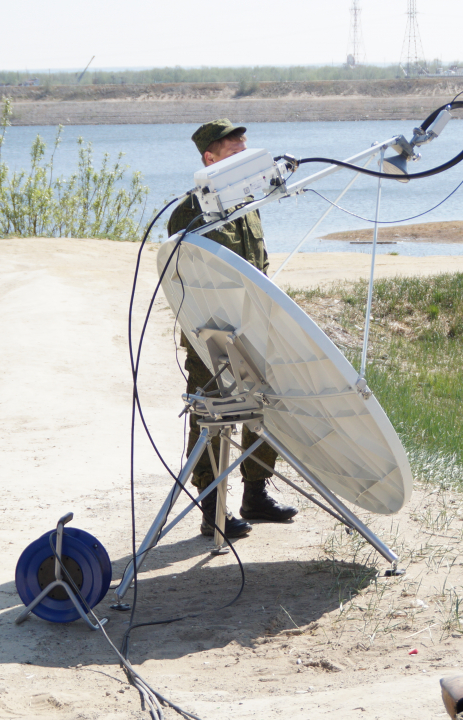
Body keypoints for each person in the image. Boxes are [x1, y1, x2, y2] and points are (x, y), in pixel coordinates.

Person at [167, 119, 298, 539]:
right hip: (212, 333)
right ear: (210, 159)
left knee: (267, 403)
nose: (245, 158)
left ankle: (255, 494)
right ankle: (213, 508)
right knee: (213, 413)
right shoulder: (190, 213)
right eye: (234, 152)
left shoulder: (248, 206)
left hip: (254, 324)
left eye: (246, 150)